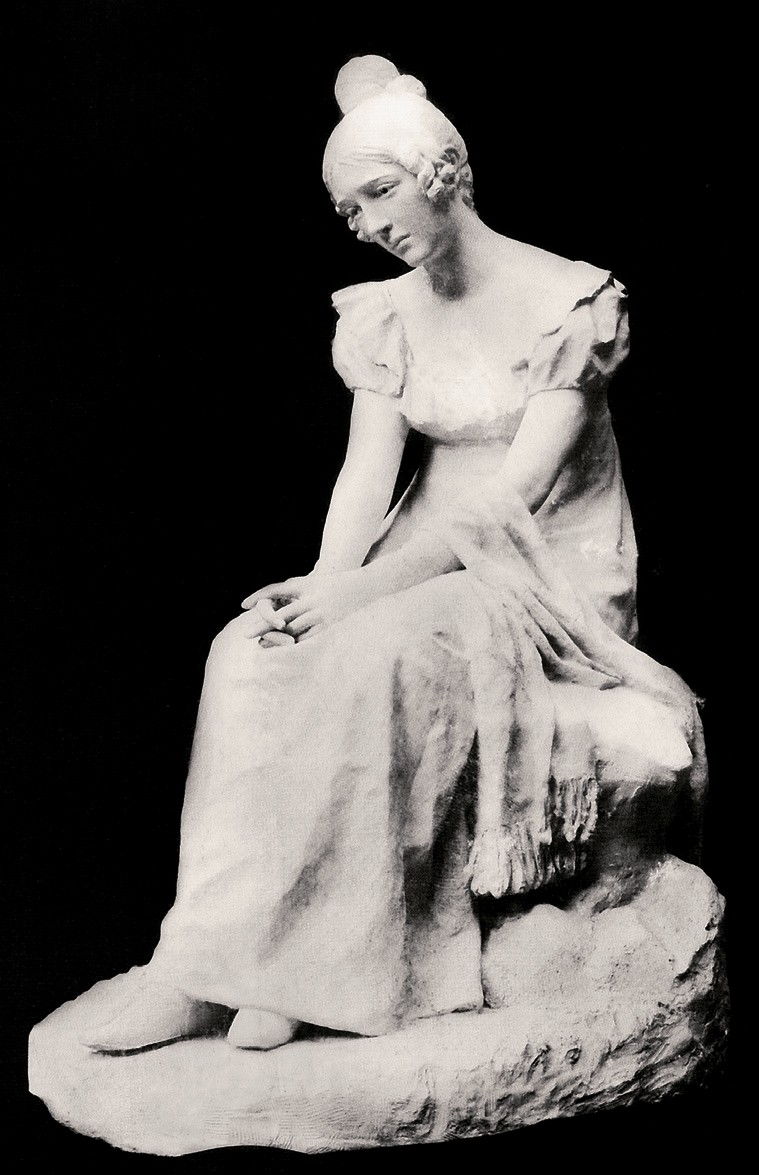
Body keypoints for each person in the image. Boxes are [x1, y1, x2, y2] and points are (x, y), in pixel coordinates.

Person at [81, 55, 705, 1054]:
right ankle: (198, 964)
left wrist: (363, 597)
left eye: (379, 192)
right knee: (249, 655)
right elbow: (367, 477)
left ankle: (309, 971)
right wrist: (328, 583)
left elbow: (514, 497)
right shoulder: (385, 313)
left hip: (541, 568)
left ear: (441, 172)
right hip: (418, 549)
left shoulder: (569, 301)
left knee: (373, 659)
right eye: (348, 210)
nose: (367, 224)